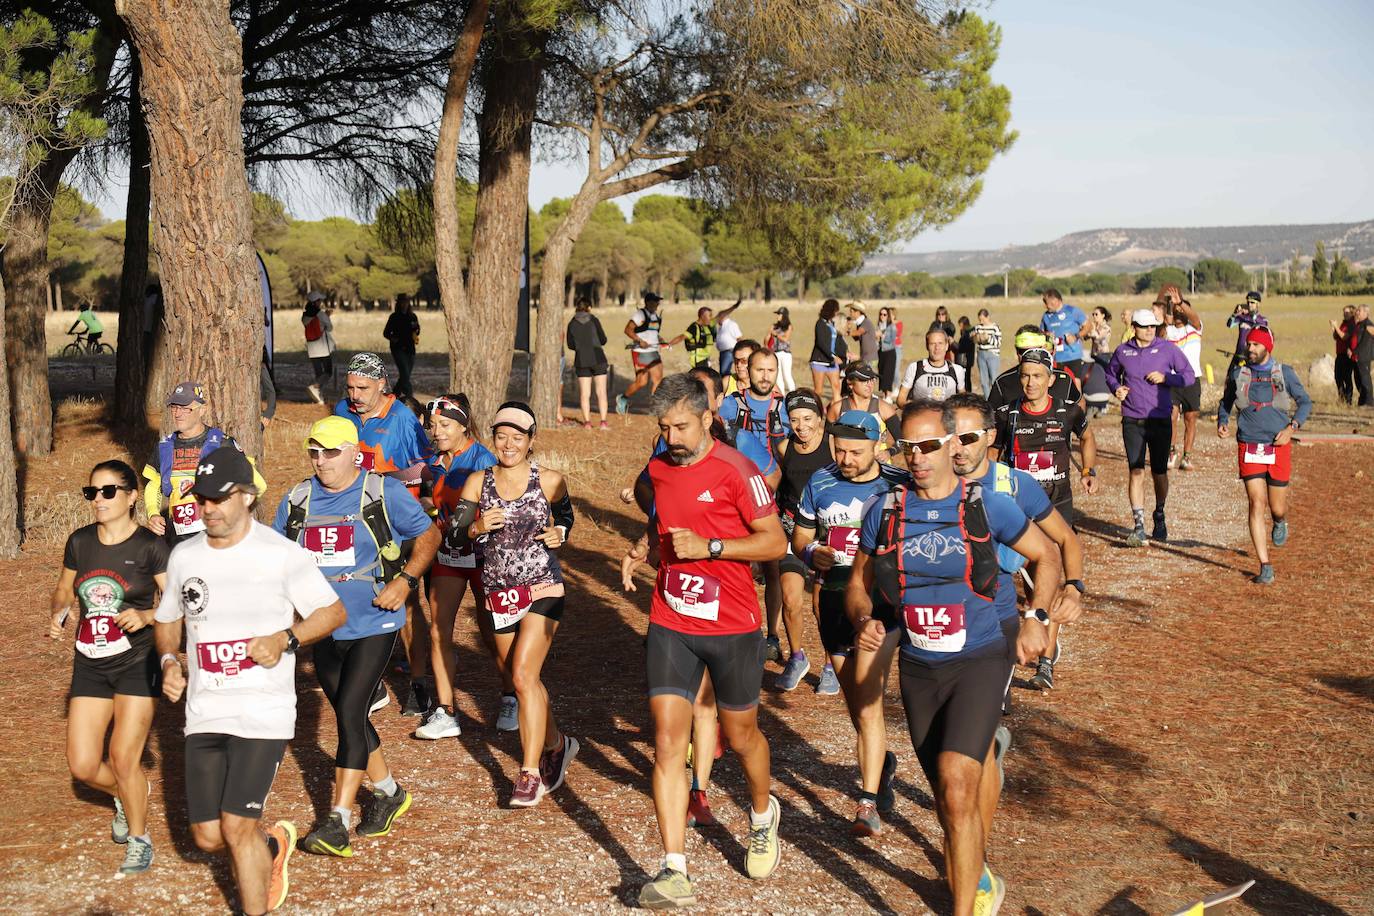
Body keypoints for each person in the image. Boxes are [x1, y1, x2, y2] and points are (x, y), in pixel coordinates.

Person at [847, 400, 1072, 916]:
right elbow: (858, 586)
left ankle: (964, 909)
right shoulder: (885, 510)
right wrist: (866, 619)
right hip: (920, 666)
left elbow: (1047, 554)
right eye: (908, 448)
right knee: (951, 804)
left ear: (952, 445)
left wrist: (1038, 617)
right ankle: (978, 877)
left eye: (928, 446)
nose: (918, 458)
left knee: (954, 779)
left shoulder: (988, 505)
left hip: (981, 657)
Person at [156, 446, 347, 915]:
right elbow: (168, 617)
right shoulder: (184, 556)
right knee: (206, 836)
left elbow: (332, 612)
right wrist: (168, 660)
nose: (207, 509)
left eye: (218, 499)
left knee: (236, 825)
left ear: (245, 496)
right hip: (205, 709)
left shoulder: (281, 555)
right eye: (201, 499)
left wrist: (286, 638)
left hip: (263, 710)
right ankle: (271, 848)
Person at [621, 374, 786, 908]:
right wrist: (644, 546)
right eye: (664, 427)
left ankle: (762, 815)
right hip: (672, 618)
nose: (672, 436)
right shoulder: (660, 467)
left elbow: (774, 542)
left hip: (733, 624)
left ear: (708, 418)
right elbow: (663, 517)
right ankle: (674, 868)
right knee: (669, 742)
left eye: (682, 426)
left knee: (741, 739)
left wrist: (712, 545)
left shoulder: (739, 471)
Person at [274, 418, 439, 854]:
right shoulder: (297, 500)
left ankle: (337, 821)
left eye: (330, 451)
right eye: (315, 451)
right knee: (354, 719)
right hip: (323, 628)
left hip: (375, 622)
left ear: (354, 453)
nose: (321, 460)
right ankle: (388, 792)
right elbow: (275, 559)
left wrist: (404, 581)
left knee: (349, 712)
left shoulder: (382, 493)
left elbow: (429, 534)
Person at [453, 402, 579, 806]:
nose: (508, 444)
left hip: (543, 586)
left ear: (531, 441)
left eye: (517, 437)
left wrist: (560, 532)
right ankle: (558, 742)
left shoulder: (551, 481)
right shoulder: (477, 482)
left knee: (524, 675)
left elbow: (565, 518)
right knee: (523, 679)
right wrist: (475, 526)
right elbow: (456, 535)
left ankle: (529, 773)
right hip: (498, 592)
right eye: (501, 436)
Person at [792, 410, 910, 836]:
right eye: (839, 449)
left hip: (881, 607)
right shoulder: (820, 482)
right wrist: (809, 555)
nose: (845, 458)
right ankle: (882, 764)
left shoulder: (899, 482)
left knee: (870, 699)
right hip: (832, 601)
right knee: (857, 703)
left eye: (855, 451)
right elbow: (800, 537)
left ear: (877, 445)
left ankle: (867, 801)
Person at [49, 460, 169, 875]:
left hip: (138, 660)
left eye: (108, 492)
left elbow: (177, 605)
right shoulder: (80, 541)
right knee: (82, 764)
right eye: (92, 492)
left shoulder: (151, 547)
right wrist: (60, 611)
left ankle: (139, 838)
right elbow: (64, 588)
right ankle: (129, 793)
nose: (97, 500)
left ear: (132, 496)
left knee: (122, 756)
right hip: (90, 662)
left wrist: (148, 617)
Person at [334, 352, 435, 715]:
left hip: (397, 518)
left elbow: (428, 469)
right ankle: (371, 683)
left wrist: (421, 498)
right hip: (351, 516)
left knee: (406, 598)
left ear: (382, 385)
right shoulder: (341, 411)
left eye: (363, 387)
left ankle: (419, 683)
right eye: (350, 387)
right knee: (353, 590)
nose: (355, 394)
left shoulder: (402, 419)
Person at [989, 354, 1097, 690]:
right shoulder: (1008, 415)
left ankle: (1046, 663)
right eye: (1025, 376)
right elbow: (993, 455)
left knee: (1047, 581)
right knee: (1030, 586)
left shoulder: (1067, 411)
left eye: (1037, 376)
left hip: (1057, 505)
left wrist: (1088, 470)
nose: (1031, 382)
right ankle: (1038, 635)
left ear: (1051, 379)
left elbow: (1088, 438)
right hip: (1019, 509)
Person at [415, 395, 513, 739]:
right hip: (449, 555)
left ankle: (511, 695)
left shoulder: (484, 460)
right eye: (432, 425)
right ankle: (445, 711)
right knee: (439, 630)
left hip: (485, 556)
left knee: (492, 632)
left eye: (444, 425)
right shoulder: (435, 461)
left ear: (462, 425)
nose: (436, 431)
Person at [1218, 327, 1313, 584]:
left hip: (1278, 445)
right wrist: (1222, 421)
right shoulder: (1238, 373)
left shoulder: (1285, 373)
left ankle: (1280, 521)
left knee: (1276, 507)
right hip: (1249, 444)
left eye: (1256, 345)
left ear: (1267, 348)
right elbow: (1226, 401)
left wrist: (1291, 428)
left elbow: (1305, 402)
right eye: (1249, 344)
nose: (1250, 349)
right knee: (1255, 503)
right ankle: (1265, 564)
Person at [719, 348, 788, 662]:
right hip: (737, 493)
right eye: (759, 370)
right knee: (737, 567)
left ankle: (772, 636)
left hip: (774, 491)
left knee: (773, 568)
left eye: (770, 371)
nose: (764, 376)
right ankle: (739, 630)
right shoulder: (733, 404)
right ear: (748, 369)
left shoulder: (784, 407)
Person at [1106, 309, 1196, 547]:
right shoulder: (1122, 351)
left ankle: (1159, 512)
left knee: (1159, 472)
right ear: (1134, 326)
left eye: (1153, 326)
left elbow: (1189, 376)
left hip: (1160, 419)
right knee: (1136, 470)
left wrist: (1167, 378)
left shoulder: (1167, 349)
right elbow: (1111, 374)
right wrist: (1116, 389)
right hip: (1132, 420)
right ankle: (1138, 526)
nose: (1150, 330)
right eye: (1145, 326)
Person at [142, 380, 266, 546]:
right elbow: (154, 484)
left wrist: (232, 516)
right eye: (174, 407)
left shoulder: (223, 444)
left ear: (202, 410)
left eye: (186, 408)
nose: (178, 414)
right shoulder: (165, 447)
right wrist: (153, 513)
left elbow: (257, 485)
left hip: (216, 539)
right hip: (177, 539)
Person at [773, 389, 834, 694]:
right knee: (790, 599)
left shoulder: (834, 444)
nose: (801, 426)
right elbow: (777, 487)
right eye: (795, 419)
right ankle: (797, 657)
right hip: (792, 529)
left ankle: (830, 665)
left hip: (827, 535)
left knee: (821, 604)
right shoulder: (784, 447)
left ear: (820, 418)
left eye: (808, 418)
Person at [1158, 286, 1204, 471]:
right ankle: (1171, 451)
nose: (1179, 313)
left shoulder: (1196, 329)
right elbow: (1160, 335)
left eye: (1181, 311)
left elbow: (1194, 316)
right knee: (1171, 417)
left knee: (1190, 418)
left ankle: (1187, 456)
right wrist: (1166, 317)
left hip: (1192, 379)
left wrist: (1180, 304)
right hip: (1172, 380)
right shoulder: (1169, 331)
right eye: (1176, 311)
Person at [987, 326, 1082, 413]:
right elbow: (990, 418)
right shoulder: (1003, 382)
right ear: (1016, 351)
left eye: (1033, 351)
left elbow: (1079, 402)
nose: (1027, 356)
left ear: (1044, 348)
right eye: (1022, 351)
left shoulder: (1064, 379)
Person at [827, 361, 897, 452]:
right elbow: (826, 440)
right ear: (850, 383)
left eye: (872, 379)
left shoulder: (884, 408)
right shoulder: (837, 409)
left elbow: (902, 440)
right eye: (864, 380)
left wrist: (889, 452)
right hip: (848, 462)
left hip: (878, 464)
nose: (870, 385)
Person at [618, 292, 667, 414]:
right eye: (655, 301)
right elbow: (627, 330)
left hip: (653, 352)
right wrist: (640, 341)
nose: (657, 304)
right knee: (641, 382)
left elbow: (652, 332)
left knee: (658, 379)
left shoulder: (656, 316)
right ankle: (623, 398)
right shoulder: (640, 314)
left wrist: (660, 340)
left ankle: (655, 408)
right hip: (640, 352)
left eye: (658, 301)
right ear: (648, 302)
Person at [566, 299, 610, 429]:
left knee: (585, 394)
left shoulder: (572, 323)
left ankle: (587, 423)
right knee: (601, 392)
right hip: (598, 358)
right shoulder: (594, 320)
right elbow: (603, 339)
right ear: (589, 307)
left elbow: (570, 345)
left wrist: (581, 348)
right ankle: (603, 422)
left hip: (581, 360)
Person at [897, 329, 965, 405]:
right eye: (932, 344)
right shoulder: (915, 368)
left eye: (940, 343)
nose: (937, 348)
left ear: (947, 346)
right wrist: (914, 409)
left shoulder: (957, 370)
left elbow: (963, 402)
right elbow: (900, 400)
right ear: (927, 346)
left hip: (947, 416)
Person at [1039, 288, 1087, 381]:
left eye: (1047, 302)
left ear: (1056, 301)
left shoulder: (1072, 311)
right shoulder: (1046, 316)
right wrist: (1046, 335)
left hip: (1073, 356)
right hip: (1056, 359)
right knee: (1060, 387)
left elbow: (1088, 326)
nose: (1045, 306)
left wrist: (1076, 336)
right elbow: (1041, 334)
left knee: (1075, 385)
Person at [382, 293, 421, 400]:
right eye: (402, 302)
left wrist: (416, 333)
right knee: (404, 372)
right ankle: (410, 397)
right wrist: (393, 339)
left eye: (406, 302)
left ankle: (394, 395)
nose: (404, 304)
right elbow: (386, 333)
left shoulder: (412, 316)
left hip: (410, 349)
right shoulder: (394, 317)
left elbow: (417, 329)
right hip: (398, 349)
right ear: (398, 303)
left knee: (406, 375)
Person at [302, 291, 336, 405]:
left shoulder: (304, 316)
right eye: (319, 300)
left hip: (312, 349)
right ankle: (314, 386)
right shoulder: (320, 314)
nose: (321, 302)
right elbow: (329, 328)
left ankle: (319, 397)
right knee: (328, 372)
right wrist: (327, 316)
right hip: (323, 348)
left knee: (319, 373)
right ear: (316, 302)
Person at [810, 299, 845, 402]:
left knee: (836, 388)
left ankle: (836, 413)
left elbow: (837, 340)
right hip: (819, 361)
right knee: (819, 391)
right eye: (836, 310)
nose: (837, 312)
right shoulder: (820, 323)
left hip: (832, 362)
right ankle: (816, 410)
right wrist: (833, 356)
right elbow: (821, 343)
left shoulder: (831, 324)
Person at [1225, 291, 1268, 374]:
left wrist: (1250, 317)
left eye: (1252, 303)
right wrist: (1235, 314)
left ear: (1258, 304)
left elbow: (1262, 326)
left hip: (1252, 355)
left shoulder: (1262, 319)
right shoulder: (1242, 317)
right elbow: (1229, 324)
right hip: (1239, 354)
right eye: (1248, 302)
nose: (1249, 305)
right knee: (1231, 377)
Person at [972, 309, 1002, 398]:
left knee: (993, 379)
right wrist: (976, 337)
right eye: (980, 319)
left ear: (987, 317)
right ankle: (987, 399)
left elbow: (998, 343)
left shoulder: (995, 327)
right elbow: (975, 341)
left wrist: (987, 338)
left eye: (983, 319)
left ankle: (996, 399)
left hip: (992, 354)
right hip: (981, 354)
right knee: (984, 381)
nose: (981, 322)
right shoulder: (978, 327)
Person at [1331, 305, 1357, 406]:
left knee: (1347, 377)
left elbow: (1344, 337)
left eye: (1347, 312)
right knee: (1338, 377)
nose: (1344, 314)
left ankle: (1348, 400)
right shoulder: (1344, 323)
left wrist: (1336, 326)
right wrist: (1333, 327)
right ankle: (1341, 397)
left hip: (1347, 355)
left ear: (1352, 313)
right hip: (1339, 354)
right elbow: (1336, 336)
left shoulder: (1351, 324)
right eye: (1344, 312)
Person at [680, 306, 717, 371]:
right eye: (710, 315)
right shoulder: (694, 327)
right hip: (698, 360)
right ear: (702, 316)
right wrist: (669, 344)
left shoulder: (707, 326)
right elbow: (681, 337)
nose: (711, 318)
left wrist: (734, 306)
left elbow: (720, 315)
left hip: (705, 359)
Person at [768, 306, 796, 394]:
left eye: (779, 314)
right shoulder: (774, 326)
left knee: (787, 375)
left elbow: (786, 339)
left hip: (785, 353)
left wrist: (775, 334)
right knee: (778, 376)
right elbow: (768, 338)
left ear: (784, 315)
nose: (777, 316)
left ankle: (793, 394)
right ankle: (782, 396)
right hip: (775, 353)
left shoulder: (789, 326)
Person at [715, 298, 744, 376]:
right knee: (722, 372)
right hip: (722, 352)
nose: (716, 319)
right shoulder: (721, 327)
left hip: (729, 352)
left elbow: (739, 338)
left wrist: (741, 351)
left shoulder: (731, 324)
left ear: (722, 317)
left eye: (718, 317)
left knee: (725, 372)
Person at [1352, 304, 1374, 407]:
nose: (1357, 312)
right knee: (1358, 378)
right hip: (1358, 356)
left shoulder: (1368, 325)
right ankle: (1362, 400)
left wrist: (1354, 351)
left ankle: (1369, 402)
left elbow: (1364, 343)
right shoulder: (1360, 324)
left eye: (1359, 311)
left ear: (1366, 313)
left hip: (1364, 356)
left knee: (1365, 379)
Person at [877, 307, 900, 397]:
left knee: (888, 373)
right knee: (881, 372)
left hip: (889, 352)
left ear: (888, 316)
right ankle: (883, 394)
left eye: (884, 314)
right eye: (881, 314)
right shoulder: (878, 325)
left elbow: (892, 340)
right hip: (881, 352)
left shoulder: (891, 327)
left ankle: (888, 395)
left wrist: (882, 335)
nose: (882, 316)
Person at [846, 301, 878, 368]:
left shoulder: (865, 322)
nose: (850, 314)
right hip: (865, 357)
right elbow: (856, 338)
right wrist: (849, 328)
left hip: (870, 358)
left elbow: (858, 332)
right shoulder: (860, 324)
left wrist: (844, 331)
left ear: (857, 312)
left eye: (851, 311)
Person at [954, 317, 976, 392]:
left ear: (964, 324)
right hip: (967, 360)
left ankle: (967, 395)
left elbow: (962, 348)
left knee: (965, 379)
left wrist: (953, 343)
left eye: (960, 325)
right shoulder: (968, 333)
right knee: (966, 379)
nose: (959, 327)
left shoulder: (968, 334)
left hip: (965, 360)